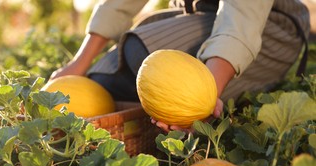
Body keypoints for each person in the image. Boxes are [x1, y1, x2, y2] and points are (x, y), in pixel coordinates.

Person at [50, 0, 310, 132]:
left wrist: (207, 92)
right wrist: (79, 63)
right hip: (197, 17)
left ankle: (155, 110)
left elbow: (241, 20)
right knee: (100, 80)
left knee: (137, 52)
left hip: (270, 28)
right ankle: (151, 109)